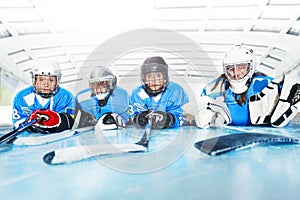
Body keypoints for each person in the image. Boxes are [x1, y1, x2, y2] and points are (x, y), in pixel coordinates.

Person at [195, 45, 299, 128]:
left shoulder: (267, 85)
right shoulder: (213, 89)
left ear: (251, 66)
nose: (236, 73)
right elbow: (202, 114)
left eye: (241, 67)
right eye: (231, 68)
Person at [12, 60, 75, 133]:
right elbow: (18, 123)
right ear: (34, 81)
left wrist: (55, 119)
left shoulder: (66, 96)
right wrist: (31, 125)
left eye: (51, 80)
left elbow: (69, 122)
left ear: (57, 82)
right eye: (41, 80)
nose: (46, 84)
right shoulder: (22, 97)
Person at [129, 56, 190, 129]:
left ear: (164, 78)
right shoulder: (137, 94)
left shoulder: (175, 91)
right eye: (150, 76)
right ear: (145, 79)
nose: (154, 80)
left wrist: (171, 119)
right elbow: (130, 116)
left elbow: (185, 116)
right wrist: (137, 119)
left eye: (158, 76)